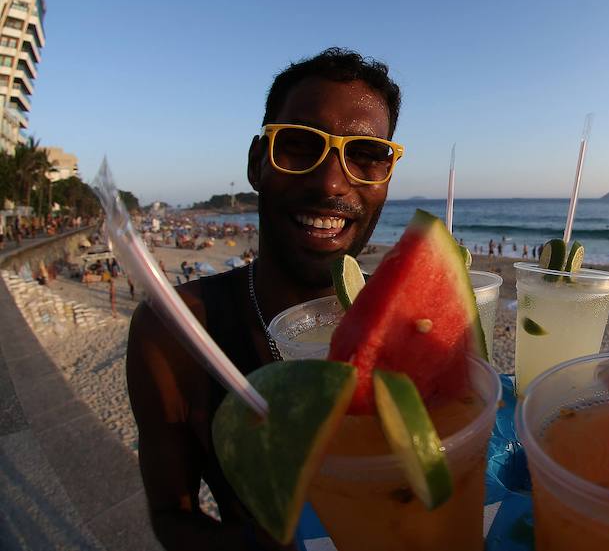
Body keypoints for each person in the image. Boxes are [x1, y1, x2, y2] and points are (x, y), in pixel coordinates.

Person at [126, 48, 403, 550]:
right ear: (258, 163)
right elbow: (172, 514)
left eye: (366, 155)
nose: (331, 182)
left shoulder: (413, 323)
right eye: (299, 145)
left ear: (385, 178)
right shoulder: (173, 334)